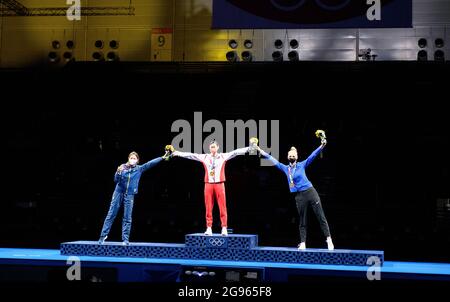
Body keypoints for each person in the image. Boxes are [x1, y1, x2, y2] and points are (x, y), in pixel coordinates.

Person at [258, 133, 334, 250]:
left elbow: (312, 156)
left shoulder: (302, 165)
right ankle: (303, 242)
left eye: (293, 155)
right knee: (302, 220)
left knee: (320, 216)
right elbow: (272, 159)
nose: (292, 156)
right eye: (290, 155)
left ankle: (328, 239)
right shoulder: (285, 168)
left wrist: (322, 146)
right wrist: (260, 150)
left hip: (310, 192)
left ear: (297, 157)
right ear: (288, 157)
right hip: (299, 196)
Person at [173, 140, 250, 236]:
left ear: (218, 147)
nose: (212, 148)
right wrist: (177, 153)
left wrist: (249, 148)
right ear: (209, 148)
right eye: (211, 147)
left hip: (219, 184)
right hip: (208, 184)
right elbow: (190, 155)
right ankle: (209, 228)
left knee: (222, 207)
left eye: (214, 147)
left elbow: (236, 152)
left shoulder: (223, 156)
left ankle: (224, 228)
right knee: (208, 207)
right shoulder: (205, 157)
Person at [98, 149, 171, 245]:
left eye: (134, 158)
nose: (133, 159)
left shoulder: (139, 169)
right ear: (128, 159)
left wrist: (162, 158)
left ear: (137, 160)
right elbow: (116, 180)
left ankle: (125, 240)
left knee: (127, 217)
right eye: (131, 158)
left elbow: (150, 163)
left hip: (130, 194)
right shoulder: (122, 167)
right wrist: (118, 172)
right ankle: (103, 236)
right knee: (111, 214)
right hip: (118, 193)